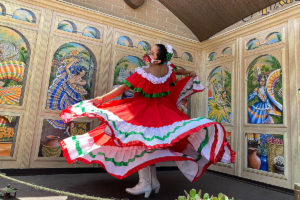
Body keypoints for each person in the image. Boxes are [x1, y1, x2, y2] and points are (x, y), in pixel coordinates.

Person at [59, 44, 235, 198]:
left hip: (142, 112)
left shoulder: (144, 72)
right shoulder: (169, 70)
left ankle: (147, 183)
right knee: (147, 145)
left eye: (151, 53)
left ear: (158, 60)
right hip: (163, 113)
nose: (148, 54)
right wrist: (190, 72)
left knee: (141, 144)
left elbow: (123, 88)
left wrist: (101, 99)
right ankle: (151, 182)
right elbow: (178, 71)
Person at [46, 59, 87, 129]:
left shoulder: (81, 80)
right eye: (82, 71)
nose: (83, 73)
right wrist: (74, 61)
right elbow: (66, 68)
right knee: (60, 105)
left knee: (71, 111)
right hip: (65, 94)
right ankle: (65, 125)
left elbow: (82, 83)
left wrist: (73, 81)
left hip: (73, 97)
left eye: (84, 73)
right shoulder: (71, 75)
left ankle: (69, 127)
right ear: (79, 71)